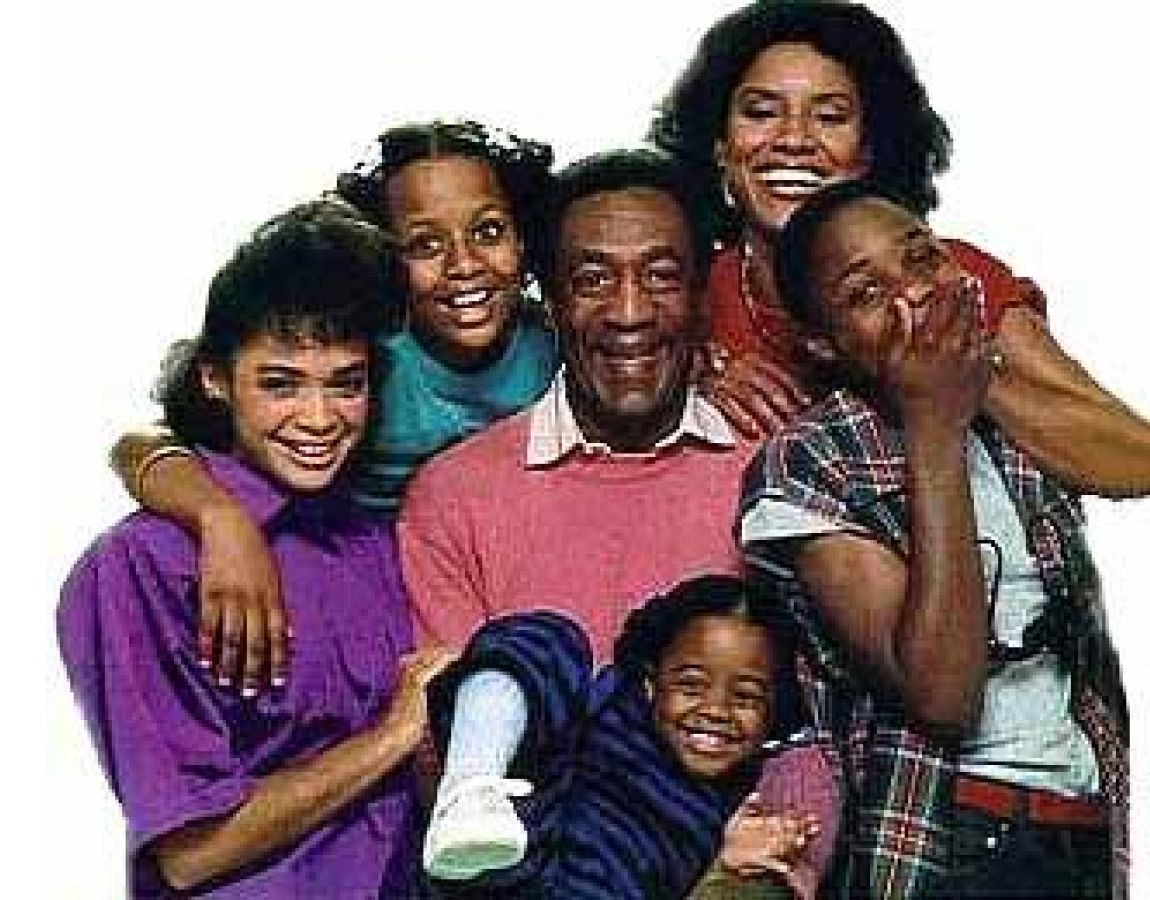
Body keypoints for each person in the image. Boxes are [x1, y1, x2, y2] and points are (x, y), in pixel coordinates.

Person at [402, 149, 824, 894]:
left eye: (661, 276)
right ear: (550, 301)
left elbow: (813, 731)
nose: (629, 312)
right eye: (593, 280)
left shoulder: (778, 479)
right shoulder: (455, 493)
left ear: (699, 297)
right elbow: (447, 745)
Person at [739, 178, 1129, 899]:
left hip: (1086, 826)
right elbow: (943, 698)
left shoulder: (1015, 420)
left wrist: (981, 382)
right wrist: (932, 424)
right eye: (866, 293)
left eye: (922, 259)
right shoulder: (809, 461)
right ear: (824, 343)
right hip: (948, 838)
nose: (914, 294)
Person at [57, 209, 455, 898]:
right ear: (215, 378)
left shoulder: (375, 539)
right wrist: (392, 736)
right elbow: (190, 851)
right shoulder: (143, 563)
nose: (319, 419)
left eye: (346, 383)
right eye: (280, 384)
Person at [108, 120, 557, 697]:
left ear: (525, 239)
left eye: (489, 232)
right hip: (375, 592)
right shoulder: (363, 359)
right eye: (424, 245)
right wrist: (221, 519)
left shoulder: (553, 348)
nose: (463, 263)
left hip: (507, 582)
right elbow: (144, 441)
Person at [650, 0, 1150, 496]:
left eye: (830, 117)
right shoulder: (684, 285)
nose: (794, 139)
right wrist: (687, 387)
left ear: (868, 152)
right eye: (761, 113)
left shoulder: (943, 273)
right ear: (719, 146)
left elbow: (1143, 460)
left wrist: (950, 370)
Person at [419, 575, 830, 899]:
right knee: (551, 639)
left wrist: (723, 862)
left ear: (775, 709)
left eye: (746, 697)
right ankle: (470, 791)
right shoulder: (613, 709)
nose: (715, 711)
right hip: (512, 855)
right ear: (651, 685)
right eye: (690, 686)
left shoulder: (751, 789)